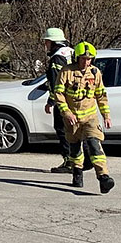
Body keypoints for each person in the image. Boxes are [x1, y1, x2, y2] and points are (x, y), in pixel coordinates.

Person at [55, 42, 115, 193]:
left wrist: (106, 116)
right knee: (75, 148)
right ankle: (77, 172)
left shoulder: (95, 73)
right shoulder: (66, 71)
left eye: (89, 59)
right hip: (72, 119)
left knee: (95, 144)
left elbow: (101, 95)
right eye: (83, 59)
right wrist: (66, 113)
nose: (86, 62)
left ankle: (103, 177)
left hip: (90, 117)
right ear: (77, 58)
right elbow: (58, 94)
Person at [41, 28, 75, 174]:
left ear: (53, 42)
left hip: (63, 102)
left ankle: (69, 161)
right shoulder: (72, 52)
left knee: (62, 131)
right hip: (75, 99)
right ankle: (78, 160)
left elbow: (56, 83)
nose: (46, 45)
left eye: (47, 42)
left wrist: (51, 101)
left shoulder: (56, 58)